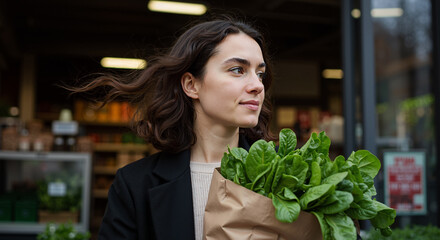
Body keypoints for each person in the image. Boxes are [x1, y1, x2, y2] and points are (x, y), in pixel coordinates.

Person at [73, 17, 276, 240]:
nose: (257, 86)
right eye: (238, 70)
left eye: (260, 73)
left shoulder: (286, 176)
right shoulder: (134, 185)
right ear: (191, 85)